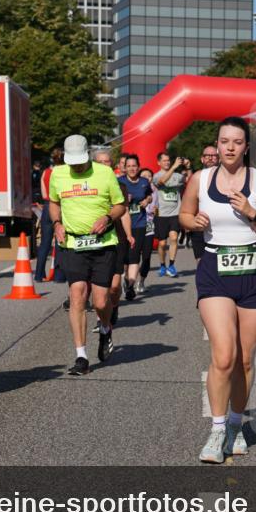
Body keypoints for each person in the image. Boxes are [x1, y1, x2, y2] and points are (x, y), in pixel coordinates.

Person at [179, 117, 256, 464]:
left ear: (246, 146)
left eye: (237, 141)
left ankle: (237, 425)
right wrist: (192, 222)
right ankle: (217, 429)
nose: (230, 147)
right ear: (217, 145)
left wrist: (252, 212)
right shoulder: (200, 179)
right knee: (223, 356)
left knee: (245, 359)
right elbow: (184, 214)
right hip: (214, 271)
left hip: (254, 271)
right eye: (224, 141)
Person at [49, 134, 127, 376]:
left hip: (103, 243)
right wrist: (56, 224)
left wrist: (107, 218)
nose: (77, 166)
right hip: (74, 243)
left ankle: (105, 328)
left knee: (101, 301)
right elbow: (53, 202)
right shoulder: (58, 174)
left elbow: (120, 205)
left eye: (80, 161)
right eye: (72, 162)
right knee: (77, 295)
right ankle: (81, 356)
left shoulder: (104, 174)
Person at [94, 149, 133, 327]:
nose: (104, 165)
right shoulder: (89, 187)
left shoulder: (121, 187)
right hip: (95, 239)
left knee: (115, 286)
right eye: (100, 162)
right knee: (99, 285)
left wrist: (129, 234)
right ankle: (101, 319)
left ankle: (114, 306)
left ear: (113, 165)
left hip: (116, 238)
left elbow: (124, 213)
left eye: (107, 162)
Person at [117, 155, 153, 300]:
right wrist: (123, 199)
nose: (132, 168)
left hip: (139, 223)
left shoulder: (144, 182)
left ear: (138, 167)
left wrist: (147, 200)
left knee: (134, 256)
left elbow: (150, 195)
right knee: (123, 258)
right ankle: (125, 279)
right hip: (121, 225)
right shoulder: (119, 181)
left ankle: (131, 286)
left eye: (134, 166)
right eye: (129, 166)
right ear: (124, 168)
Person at [153, 151, 189, 277]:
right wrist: (174, 166)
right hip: (162, 214)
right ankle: (162, 265)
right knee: (162, 243)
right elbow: (161, 182)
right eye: (164, 161)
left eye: (169, 160)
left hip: (175, 213)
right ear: (159, 162)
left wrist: (188, 167)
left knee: (174, 238)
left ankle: (172, 265)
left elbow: (188, 180)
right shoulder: (156, 176)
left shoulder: (177, 176)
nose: (167, 162)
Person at [35, 148, 65, 283]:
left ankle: (39, 274)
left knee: (45, 243)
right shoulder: (65, 172)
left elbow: (43, 194)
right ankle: (59, 275)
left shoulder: (46, 173)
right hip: (61, 206)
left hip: (47, 206)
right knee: (60, 240)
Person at [189, 145, 218, 264]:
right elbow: (188, 203)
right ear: (202, 159)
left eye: (214, 156)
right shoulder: (196, 178)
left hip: (219, 226)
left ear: (219, 158)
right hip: (199, 225)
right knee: (201, 262)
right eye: (207, 156)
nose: (210, 158)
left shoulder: (227, 177)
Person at [137, 167, 157, 293]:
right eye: (144, 175)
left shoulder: (155, 191)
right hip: (135, 224)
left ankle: (141, 281)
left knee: (146, 256)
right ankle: (128, 278)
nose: (147, 178)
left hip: (149, 225)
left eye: (149, 176)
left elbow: (156, 208)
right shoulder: (134, 189)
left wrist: (155, 211)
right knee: (132, 256)